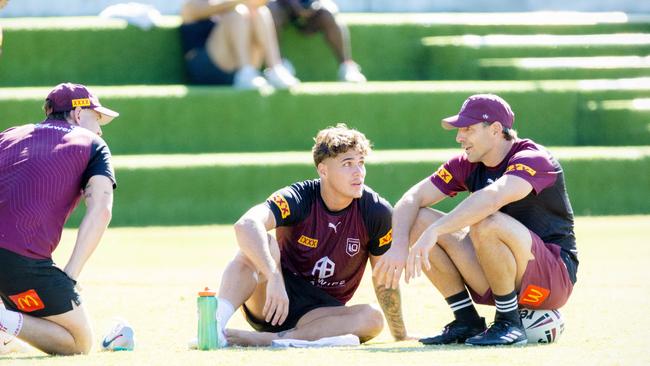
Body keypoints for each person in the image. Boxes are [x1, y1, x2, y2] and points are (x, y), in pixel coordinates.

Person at [374, 94, 578, 346]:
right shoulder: (468, 164)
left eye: (468, 129)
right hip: (499, 271)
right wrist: (399, 244)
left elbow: (493, 197)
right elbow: (412, 197)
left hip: (553, 277)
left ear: (495, 130)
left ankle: (508, 323)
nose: (459, 137)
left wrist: (437, 230)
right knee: (418, 219)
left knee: (487, 220)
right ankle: (466, 321)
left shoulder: (534, 157)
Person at [214, 124, 409, 346]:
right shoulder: (299, 197)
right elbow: (246, 224)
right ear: (323, 170)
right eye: (347, 164)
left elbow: (384, 277)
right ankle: (215, 327)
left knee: (372, 318)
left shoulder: (376, 211)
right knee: (260, 242)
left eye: (361, 163)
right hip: (272, 299)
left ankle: (272, 340)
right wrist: (274, 277)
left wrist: (400, 334)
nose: (359, 172)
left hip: (320, 313)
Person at [0, 82, 118, 355]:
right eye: (96, 117)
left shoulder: (8, 134)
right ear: (78, 115)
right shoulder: (93, 143)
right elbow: (101, 210)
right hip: (19, 259)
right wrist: (70, 275)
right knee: (79, 341)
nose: (99, 129)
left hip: (13, 260)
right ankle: (4, 319)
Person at [180, 0, 299, 89]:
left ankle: (275, 68)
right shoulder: (190, 5)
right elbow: (201, 10)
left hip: (239, 64)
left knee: (260, 12)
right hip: (207, 68)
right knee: (238, 13)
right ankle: (245, 72)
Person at [267, 0, 366, 82]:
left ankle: (347, 65)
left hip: (312, 6)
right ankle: (278, 65)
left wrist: (314, 5)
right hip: (282, 5)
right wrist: (294, 5)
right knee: (270, 10)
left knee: (329, 13)